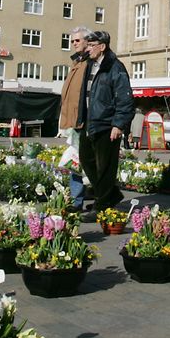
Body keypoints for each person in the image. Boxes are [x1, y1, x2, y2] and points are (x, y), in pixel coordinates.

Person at [77, 30, 133, 214]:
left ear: (102, 47)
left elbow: (125, 99)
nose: (89, 48)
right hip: (89, 122)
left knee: (106, 167)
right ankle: (109, 195)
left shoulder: (114, 67)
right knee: (86, 160)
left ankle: (102, 206)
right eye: (88, 44)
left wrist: (118, 124)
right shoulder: (90, 64)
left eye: (92, 45)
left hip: (107, 124)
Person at [58, 26, 92, 212]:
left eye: (77, 40)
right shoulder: (77, 62)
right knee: (76, 161)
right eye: (72, 41)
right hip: (75, 121)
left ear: (88, 41)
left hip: (85, 120)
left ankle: (103, 198)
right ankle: (76, 201)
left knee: (86, 162)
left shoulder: (90, 63)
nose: (74, 43)